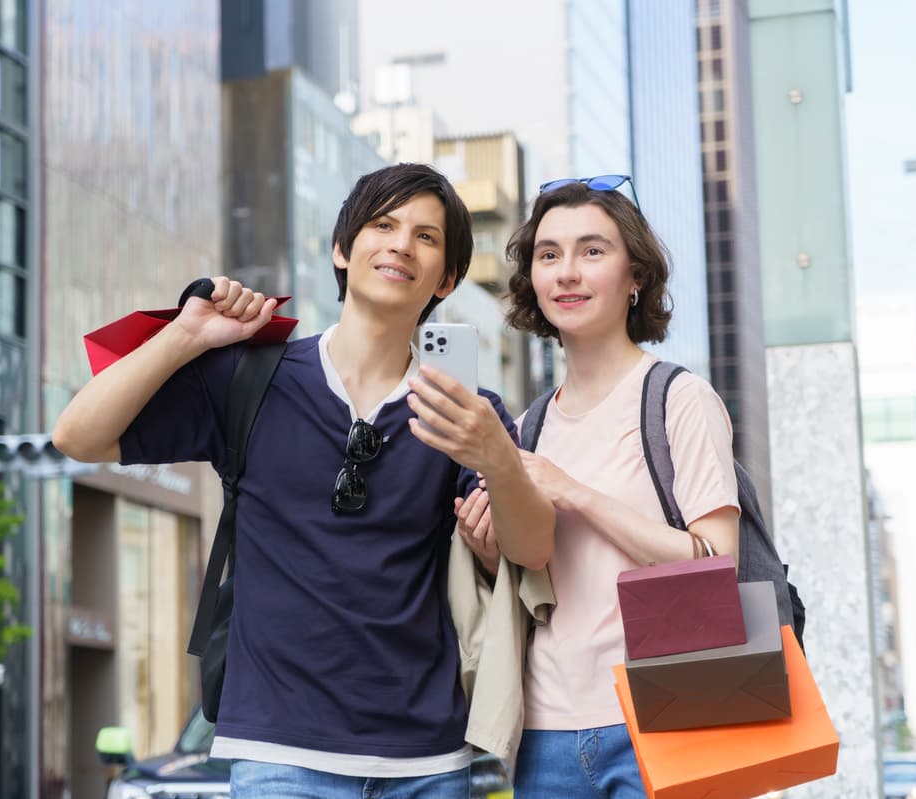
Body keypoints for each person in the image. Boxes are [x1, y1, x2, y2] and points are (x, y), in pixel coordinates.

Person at [52, 162, 555, 799]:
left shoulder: (466, 411)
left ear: (448, 277)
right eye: (383, 224)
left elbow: (534, 549)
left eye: (427, 237)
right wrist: (185, 335)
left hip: (426, 760)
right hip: (277, 755)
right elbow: (77, 434)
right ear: (344, 249)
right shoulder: (250, 378)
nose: (401, 243)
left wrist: (498, 457)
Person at [455, 176, 741, 798]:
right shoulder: (526, 428)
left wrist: (576, 493)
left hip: (665, 715)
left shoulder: (677, 399)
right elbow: (542, 580)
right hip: (546, 734)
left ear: (635, 275)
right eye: (548, 255)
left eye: (592, 251)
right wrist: (491, 550)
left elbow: (717, 565)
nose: (567, 273)